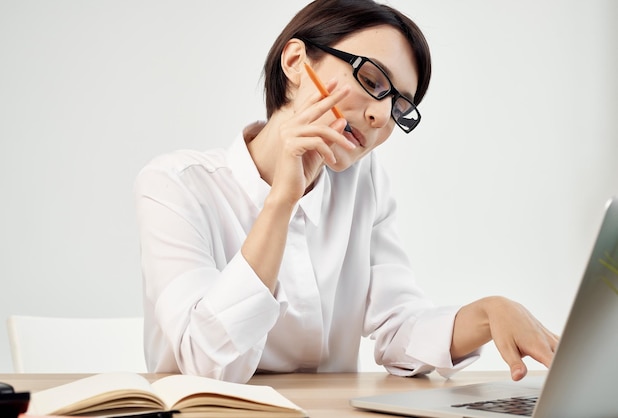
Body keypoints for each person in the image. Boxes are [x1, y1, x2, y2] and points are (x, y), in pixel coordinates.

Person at [134, 0, 558, 384]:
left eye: (399, 107)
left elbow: (397, 329)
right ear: (297, 62)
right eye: (371, 80)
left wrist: (488, 314)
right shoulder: (176, 185)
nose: (379, 116)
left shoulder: (364, 183)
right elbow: (206, 365)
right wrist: (281, 201)